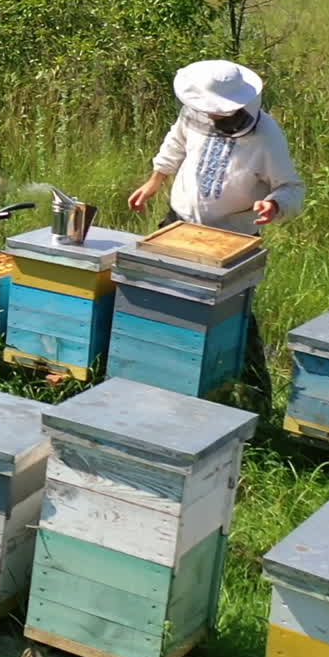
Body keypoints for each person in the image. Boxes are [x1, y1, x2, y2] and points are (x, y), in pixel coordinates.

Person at [128, 59, 305, 412]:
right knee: (163, 303)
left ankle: (257, 403)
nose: (210, 117)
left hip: (231, 241)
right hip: (177, 226)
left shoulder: (265, 134)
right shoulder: (193, 115)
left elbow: (292, 187)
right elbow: (175, 143)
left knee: (235, 322)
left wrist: (274, 204)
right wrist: (154, 181)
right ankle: (160, 382)